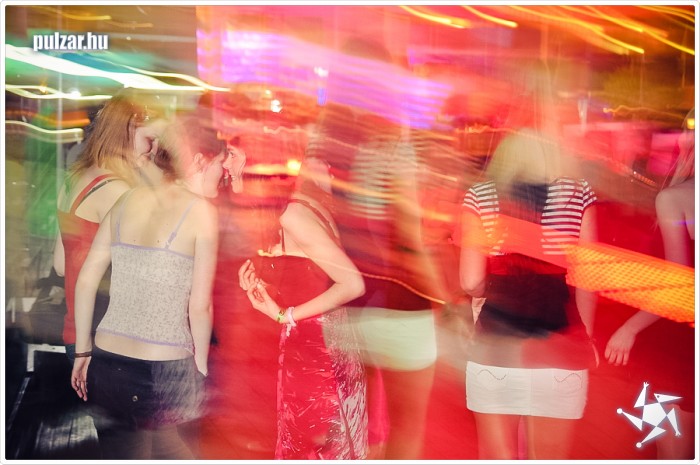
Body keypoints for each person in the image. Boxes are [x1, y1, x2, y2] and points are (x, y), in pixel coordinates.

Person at [314, 37, 450, 460]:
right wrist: (445, 298)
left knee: (355, 432)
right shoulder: (393, 144)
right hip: (399, 306)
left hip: (344, 305)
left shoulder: (322, 142)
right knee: (406, 431)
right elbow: (408, 237)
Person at [459, 60, 599, 460]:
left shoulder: (481, 195)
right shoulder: (579, 193)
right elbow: (586, 278)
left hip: (495, 347)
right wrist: (586, 336)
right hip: (558, 348)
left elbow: (469, 281)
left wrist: (489, 287)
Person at [69, 115, 221, 460]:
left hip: (109, 359)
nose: (223, 173)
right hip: (165, 365)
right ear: (199, 160)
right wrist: (199, 369)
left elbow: (87, 278)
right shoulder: (201, 213)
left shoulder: (124, 201)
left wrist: (82, 352)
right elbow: (200, 306)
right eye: (219, 164)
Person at [237, 154, 368, 460]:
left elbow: (353, 284)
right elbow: (311, 278)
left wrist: (285, 315)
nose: (227, 168)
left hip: (317, 355)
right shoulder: (295, 207)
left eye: (232, 156)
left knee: (313, 450)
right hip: (323, 345)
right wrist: (264, 285)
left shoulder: (293, 215)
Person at [603, 108, 695, 459]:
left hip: (677, 348)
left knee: (673, 453)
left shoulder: (674, 198)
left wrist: (629, 328)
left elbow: (679, 283)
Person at [53, 91, 153, 361]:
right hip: (106, 338)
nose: (153, 148)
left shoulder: (73, 180)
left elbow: (60, 265)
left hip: (76, 334)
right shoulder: (118, 191)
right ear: (127, 133)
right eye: (150, 138)